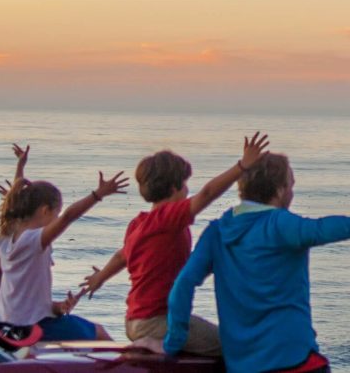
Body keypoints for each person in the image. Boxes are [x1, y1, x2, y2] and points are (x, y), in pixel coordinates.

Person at [163, 148, 350, 372]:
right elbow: (319, 229)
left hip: (243, 365)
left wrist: (175, 341)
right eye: (291, 186)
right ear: (280, 190)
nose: (292, 193)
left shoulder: (217, 232)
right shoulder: (279, 224)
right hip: (294, 359)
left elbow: (183, 284)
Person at [71, 129, 271, 354]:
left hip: (135, 320)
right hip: (158, 323)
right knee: (236, 345)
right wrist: (242, 166)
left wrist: (101, 277)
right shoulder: (168, 218)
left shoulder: (139, 224)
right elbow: (206, 194)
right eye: (185, 184)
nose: (188, 190)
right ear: (174, 187)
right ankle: (158, 346)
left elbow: (121, 256)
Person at [0, 142, 131, 346]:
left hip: (5, 326)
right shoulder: (34, 241)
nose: (57, 219)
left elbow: (14, 202)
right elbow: (68, 217)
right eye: (55, 214)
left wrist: (56, 307)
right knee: (100, 334)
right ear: (44, 211)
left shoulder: (7, 235)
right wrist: (98, 195)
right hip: (29, 328)